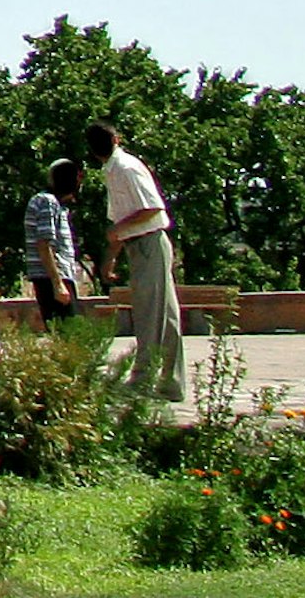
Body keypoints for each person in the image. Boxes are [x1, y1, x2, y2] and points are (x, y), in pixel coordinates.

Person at [89, 121, 186, 403]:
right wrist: (111, 258)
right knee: (164, 316)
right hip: (139, 244)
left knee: (150, 314)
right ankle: (170, 383)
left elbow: (151, 208)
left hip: (149, 242)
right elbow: (120, 220)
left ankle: (144, 379)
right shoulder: (114, 170)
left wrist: (118, 232)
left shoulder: (126, 168)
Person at [22, 157, 88, 322]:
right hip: (52, 278)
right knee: (70, 334)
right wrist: (57, 284)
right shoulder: (47, 202)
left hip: (54, 277)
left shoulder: (54, 204)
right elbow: (44, 244)